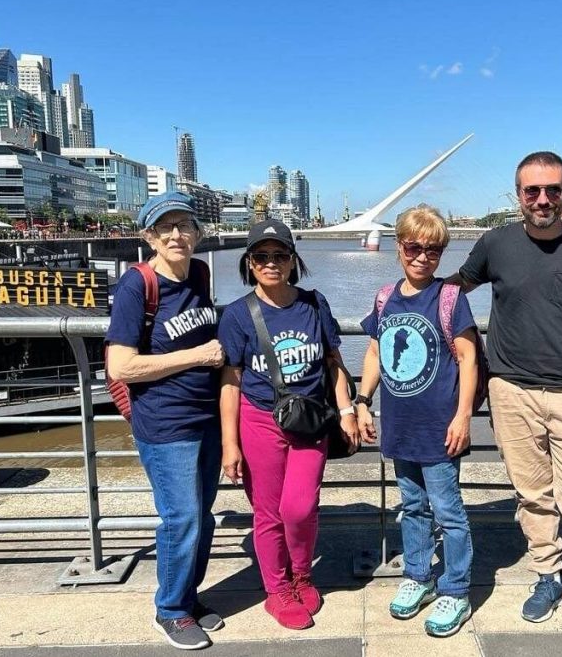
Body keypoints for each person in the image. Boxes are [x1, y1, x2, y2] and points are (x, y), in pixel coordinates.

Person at [452, 151, 562, 642]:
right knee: (533, 496)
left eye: (552, 190)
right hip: (509, 390)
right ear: (518, 195)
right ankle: (548, 575)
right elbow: (452, 290)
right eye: (533, 191)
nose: (543, 199)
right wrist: (399, 302)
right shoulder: (495, 243)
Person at [218, 219, 359, 630]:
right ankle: (277, 589)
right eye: (261, 256)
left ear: (293, 259)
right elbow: (231, 381)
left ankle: (302, 574)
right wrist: (231, 444)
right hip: (259, 420)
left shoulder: (314, 304)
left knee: (299, 507)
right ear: (249, 263)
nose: (271, 263)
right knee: (269, 513)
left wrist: (348, 411)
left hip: (311, 419)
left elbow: (334, 363)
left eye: (280, 255)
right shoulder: (238, 315)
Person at [105, 191, 225, 651]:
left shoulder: (199, 272)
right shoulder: (137, 285)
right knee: (182, 517)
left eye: (184, 226)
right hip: (164, 420)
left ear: (197, 232)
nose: (177, 235)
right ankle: (170, 610)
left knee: (204, 516)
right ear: (149, 236)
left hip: (206, 415)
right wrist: (196, 355)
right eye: (165, 227)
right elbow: (121, 366)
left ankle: (188, 599)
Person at [357, 205, 479, 638]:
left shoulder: (449, 298)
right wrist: (361, 400)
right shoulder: (385, 297)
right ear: (399, 247)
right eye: (414, 247)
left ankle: (457, 589)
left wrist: (463, 416)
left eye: (433, 250)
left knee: (449, 511)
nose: (423, 257)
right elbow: (374, 351)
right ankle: (418, 577)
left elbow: (468, 359)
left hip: (440, 427)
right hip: (400, 424)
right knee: (411, 507)